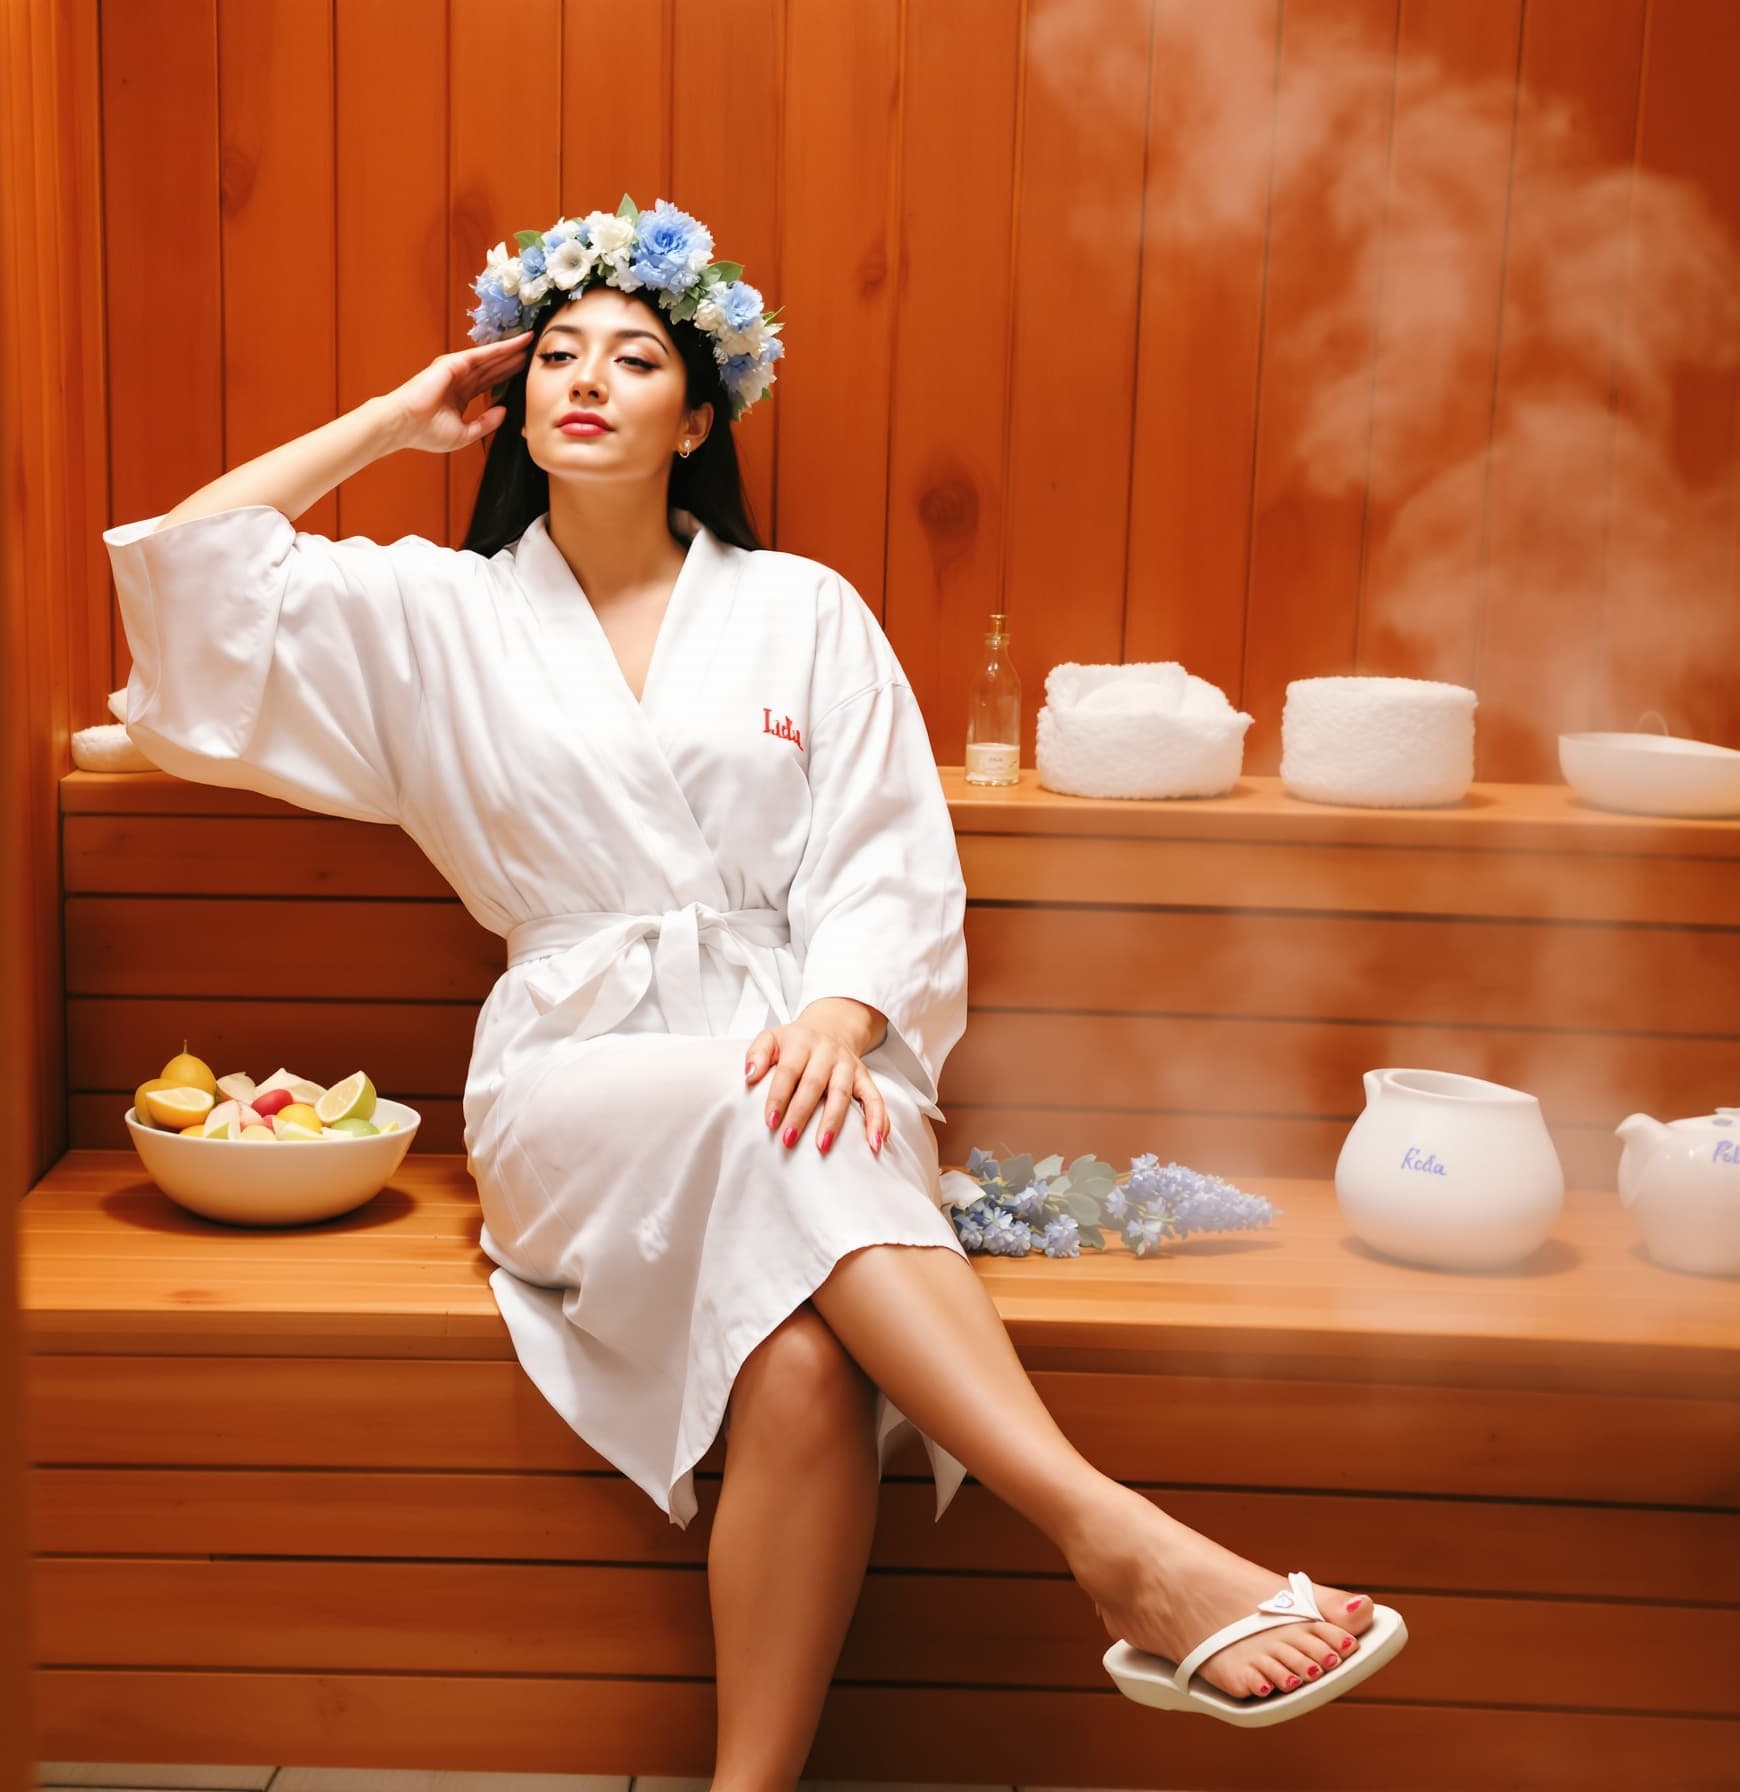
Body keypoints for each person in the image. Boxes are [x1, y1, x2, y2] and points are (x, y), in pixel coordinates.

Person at [103, 198, 1387, 1784]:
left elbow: (891, 852)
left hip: (811, 1041)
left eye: (634, 357)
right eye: (555, 354)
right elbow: (193, 572)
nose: (587, 377)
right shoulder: (433, 615)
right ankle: (1110, 1533)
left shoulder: (803, 612)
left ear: (697, 413)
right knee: (760, 1103)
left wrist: (852, 1007)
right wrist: (389, 420)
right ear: (511, 396)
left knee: (796, 1361)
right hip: (580, 1072)